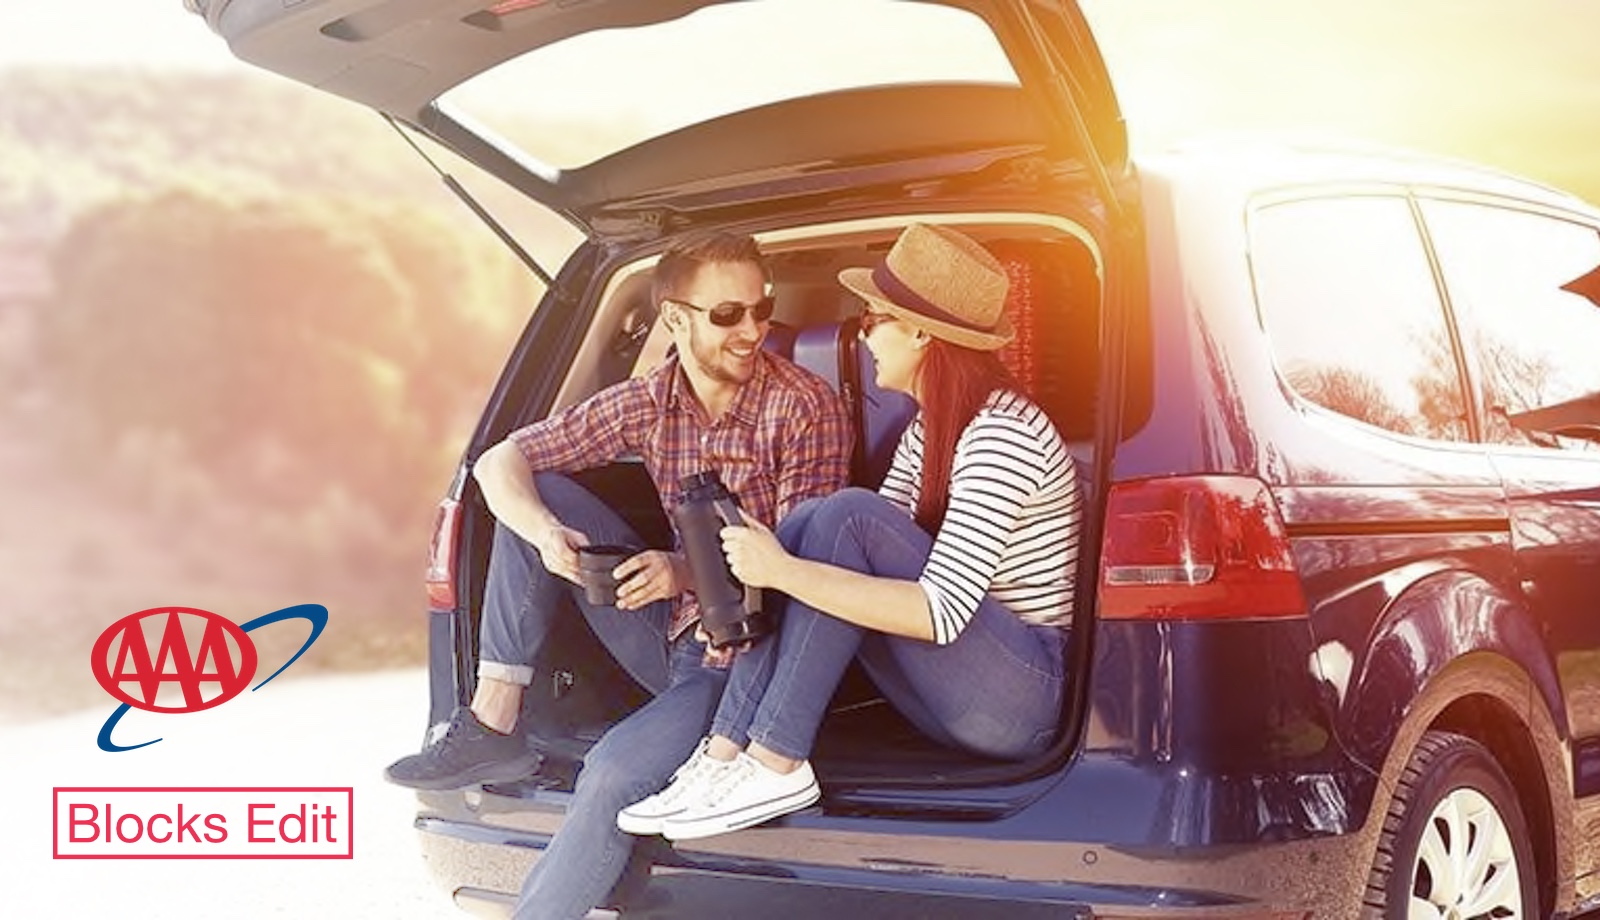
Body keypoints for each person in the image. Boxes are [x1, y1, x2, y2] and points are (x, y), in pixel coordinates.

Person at [383, 230, 852, 918]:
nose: (753, 330)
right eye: (729, 314)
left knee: (607, 773)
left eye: (762, 310)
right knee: (540, 496)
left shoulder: (805, 405)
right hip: (669, 633)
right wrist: (546, 536)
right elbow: (498, 463)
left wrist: (681, 570)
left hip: (747, 662)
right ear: (675, 319)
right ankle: (493, 724)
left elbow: (798, 568)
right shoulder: (647, 400)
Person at [616, 223, 1082, 841]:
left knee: (841, 516)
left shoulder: (1003, 433)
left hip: (1020, 704)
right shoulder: (929, 430)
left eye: (872, 320)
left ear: (920, 332)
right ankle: (726, 753)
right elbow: (849, 555)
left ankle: (776, 760)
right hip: (954, 696)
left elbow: (940, 613)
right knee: (813, 521)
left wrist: (781, 571)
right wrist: (781, 566)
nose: (862, 336)